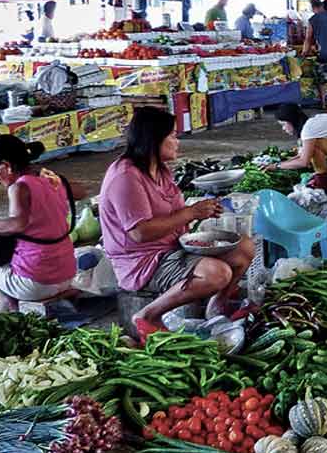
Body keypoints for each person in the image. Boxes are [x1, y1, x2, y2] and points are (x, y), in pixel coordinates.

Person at [99, 107, 254, 339]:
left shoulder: (160, 170)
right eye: (172, 135)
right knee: (217, 274)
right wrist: (191, 213)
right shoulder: (126, 177)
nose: (177, 142)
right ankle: (147, 315)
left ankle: (217, 304)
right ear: (153, 139)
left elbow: (174, 211)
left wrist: (202, 211)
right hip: (143, 260)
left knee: (245, 248)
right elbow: (140, 233)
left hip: (172, 247)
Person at [0, 136, 79, 315]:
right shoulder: (49, 178)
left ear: (6, 165)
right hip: (68, 274)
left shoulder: (18, 187)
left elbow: (18, 223)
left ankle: (5, 299)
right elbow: (80, 191)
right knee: (9, 234)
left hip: (35, 285)